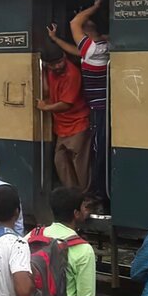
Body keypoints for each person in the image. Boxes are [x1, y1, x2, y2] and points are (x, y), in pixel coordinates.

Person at [47, 0, 110, 204]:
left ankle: (94, 196)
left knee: (95, 154)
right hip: (100, 107)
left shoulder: (91, 49)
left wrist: (95, 7)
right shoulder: (98, 48)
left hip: (98, 109)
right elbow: (74, 51)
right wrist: (56, 40)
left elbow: (74, 22)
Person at [38, 43, 91, 191]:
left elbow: (66, 104)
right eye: (52, 65)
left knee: (80, 165)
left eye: (59, 62)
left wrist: (46, 107)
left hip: (78, 123)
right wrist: (43, 72)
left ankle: (85, 197)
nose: (57, 67)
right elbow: (47, 91)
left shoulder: (72, 73)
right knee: (60, 162)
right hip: (61, 126)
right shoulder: (49, 71)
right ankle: (71, 195)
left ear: (64, 57)